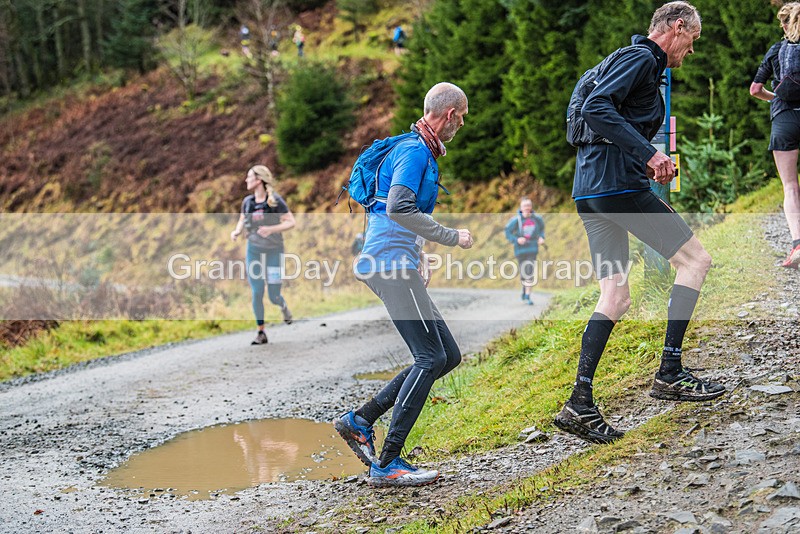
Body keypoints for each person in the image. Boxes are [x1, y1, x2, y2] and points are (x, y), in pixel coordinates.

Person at [554, 1, 725, 445]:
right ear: (677, 26)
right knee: (696, 261)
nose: (692, 50)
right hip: (617, 189)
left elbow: (598, 115)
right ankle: (670, 372)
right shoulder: (643, 58)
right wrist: (649, 154)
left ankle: (579, 405)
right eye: (693, 39)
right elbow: (596, 108)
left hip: (591, 192)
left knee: (615, 296)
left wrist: (644, 157)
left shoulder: (624, 62)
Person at [334, 82, 472, 487]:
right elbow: (397, 206)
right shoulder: (414, 151)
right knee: (429, 357)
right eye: (461, 117)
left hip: (396, 261)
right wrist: (450, 237)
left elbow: (390, 213)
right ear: (448, 114)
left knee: (447, 355)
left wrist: (420, 253)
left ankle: (360, 420)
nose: (461, 125)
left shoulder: (417, 150)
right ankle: (388, 461)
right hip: (388, 265)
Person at [750, 2, 800, 269]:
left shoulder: (776, 50)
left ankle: (797, 244)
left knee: (791, 186)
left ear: (783, 24)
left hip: (784, 119)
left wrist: (776, 99)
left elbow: (755, 89)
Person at [231, 165, 295, 345]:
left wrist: (271, 229)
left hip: (274, 251)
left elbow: (291, 222)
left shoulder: (274, 201)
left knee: (273, 295)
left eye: (249, 176)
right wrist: (236, 232)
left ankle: (282, 305)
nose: (246, 180)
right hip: (254, 250)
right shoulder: (248, 202)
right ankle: (261, 332)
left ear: (258, 180)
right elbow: (242, 219)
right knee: (257, 291)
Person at [504, 197, 545, 305]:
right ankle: (524, 288)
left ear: (531, 207)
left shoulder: (537, 219)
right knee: (523, 273)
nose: (527, 208)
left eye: (528, 206)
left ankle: (527, 295)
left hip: (532, 248)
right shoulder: (515, 220)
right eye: (524, 206)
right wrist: (516, 239)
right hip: (520, 250)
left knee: (529, 271)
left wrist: (541, 238)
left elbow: (541, 230)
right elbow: (507, 232)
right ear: (521, 208)